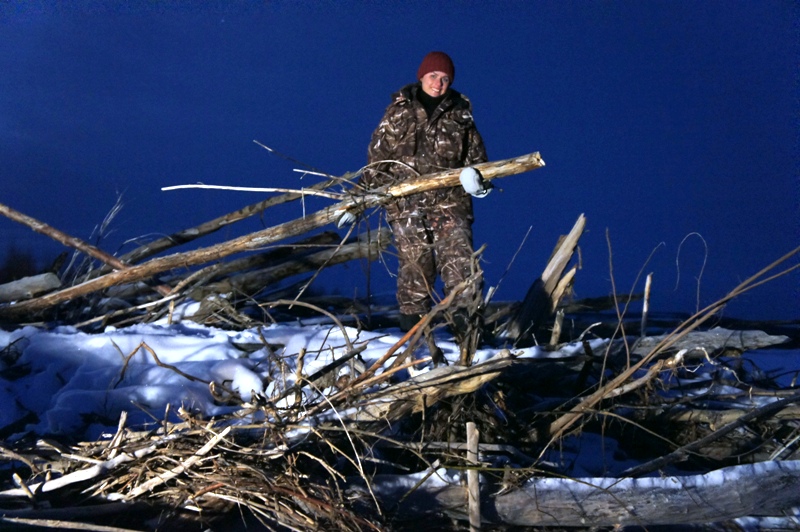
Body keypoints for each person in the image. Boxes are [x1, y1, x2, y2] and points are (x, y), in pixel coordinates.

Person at [342, 51, 493, 336]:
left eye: (445, 78)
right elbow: (377, 162)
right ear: (422, 76)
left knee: (462, 271)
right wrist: (356, 201)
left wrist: (478, 182)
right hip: (406, 208)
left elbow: (478, 161)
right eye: (434, 76)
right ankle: (414, 345)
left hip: (451, 205)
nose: (439, 83)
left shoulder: (461, 114)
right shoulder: (398, 112)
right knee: (415, 273)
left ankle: (469, 342)